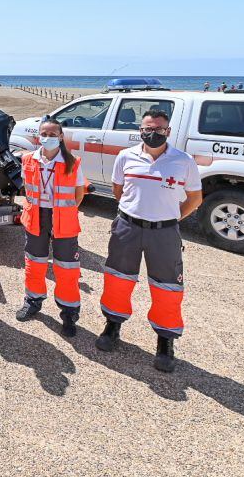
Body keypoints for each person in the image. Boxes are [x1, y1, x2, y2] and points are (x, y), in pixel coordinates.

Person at [95, 109, 202, 372]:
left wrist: (172, 218)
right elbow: (119, 191)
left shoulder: (183, 161)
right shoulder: (126, 156)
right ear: (140, 130)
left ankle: (165, 340)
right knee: (118, 279)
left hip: (164, 232)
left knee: (167, 287)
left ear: (168, 131)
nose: (152, 134)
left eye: (158, 129)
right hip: (127, 227)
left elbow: (195, 198)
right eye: (147, 129)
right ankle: (113, 325)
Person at [15, 117, 86, 336]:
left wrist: (64, 212)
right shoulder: (28, 159)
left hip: (63, 219)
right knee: (34, 263)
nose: (47, 138)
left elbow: (78, 193)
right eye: (44, 134)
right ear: (38, 137)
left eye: (52, 134)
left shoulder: (71, 162)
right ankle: (33, 301)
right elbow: (27, 187)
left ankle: (69, 312)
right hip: (37, 217)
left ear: (61, 137)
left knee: (66, 268)